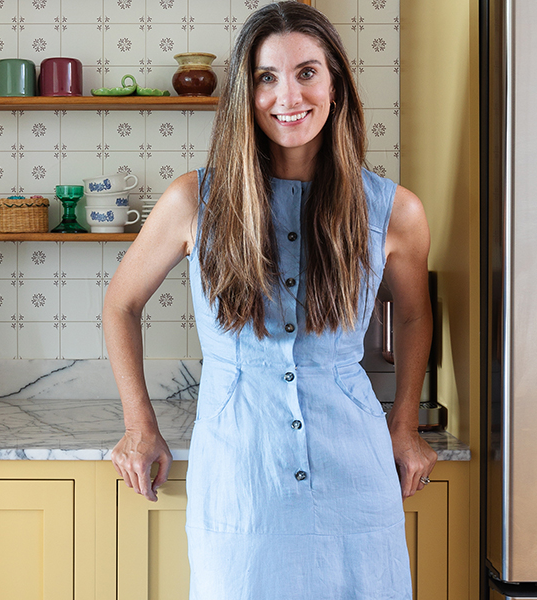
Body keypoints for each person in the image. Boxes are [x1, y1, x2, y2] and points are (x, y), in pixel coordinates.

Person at [102, 2, 437, 598]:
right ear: (246, 92)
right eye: (266, 76)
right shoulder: (191, 201)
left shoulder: (396, 211)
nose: (289, 95)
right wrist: (138, 424)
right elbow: (120, 305)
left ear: (335, 82)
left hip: (355, 484)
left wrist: (405, 425)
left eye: (307, 72)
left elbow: (413, 314)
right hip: (239, 483)